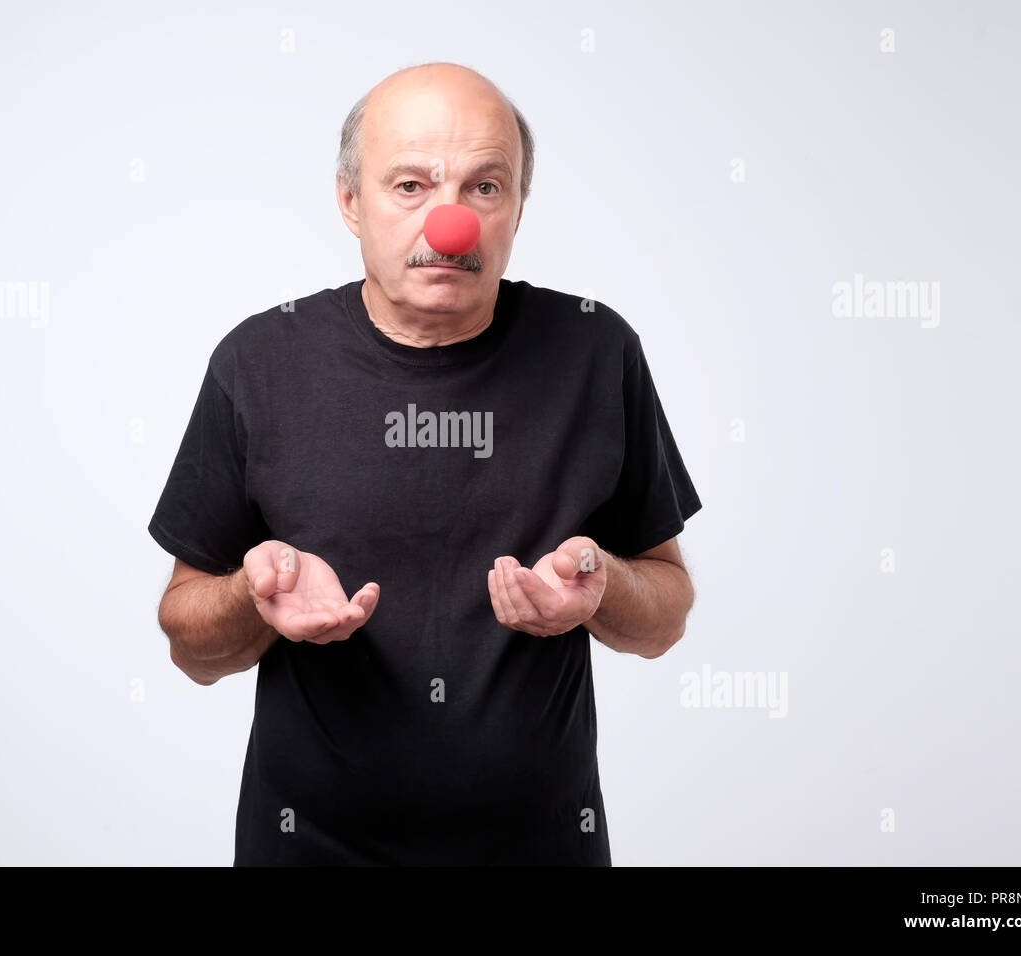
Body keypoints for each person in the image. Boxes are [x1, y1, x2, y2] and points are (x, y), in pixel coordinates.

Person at [147, 61, 703, 866]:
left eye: (485, 187)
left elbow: (668, 614)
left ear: (517, 208)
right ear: (350, 201)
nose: (452, 223)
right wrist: (251, 594)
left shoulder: (595, 352)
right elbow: (188, 642)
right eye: (411, 185)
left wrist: (602, 590)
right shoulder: (259, 363)